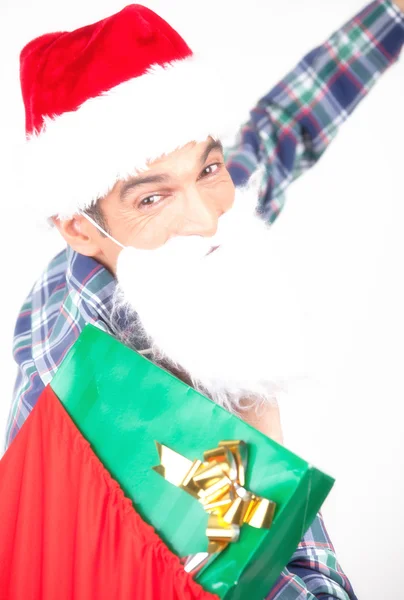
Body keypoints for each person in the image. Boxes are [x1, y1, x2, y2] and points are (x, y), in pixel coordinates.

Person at [4, 1, 404, 598]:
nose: (207, 221)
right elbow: (273, 581)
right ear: (79, 228)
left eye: (210, 168)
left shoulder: (178, 232)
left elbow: (277, 134)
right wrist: (260, 436)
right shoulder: (109, 403)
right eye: (151, 199)